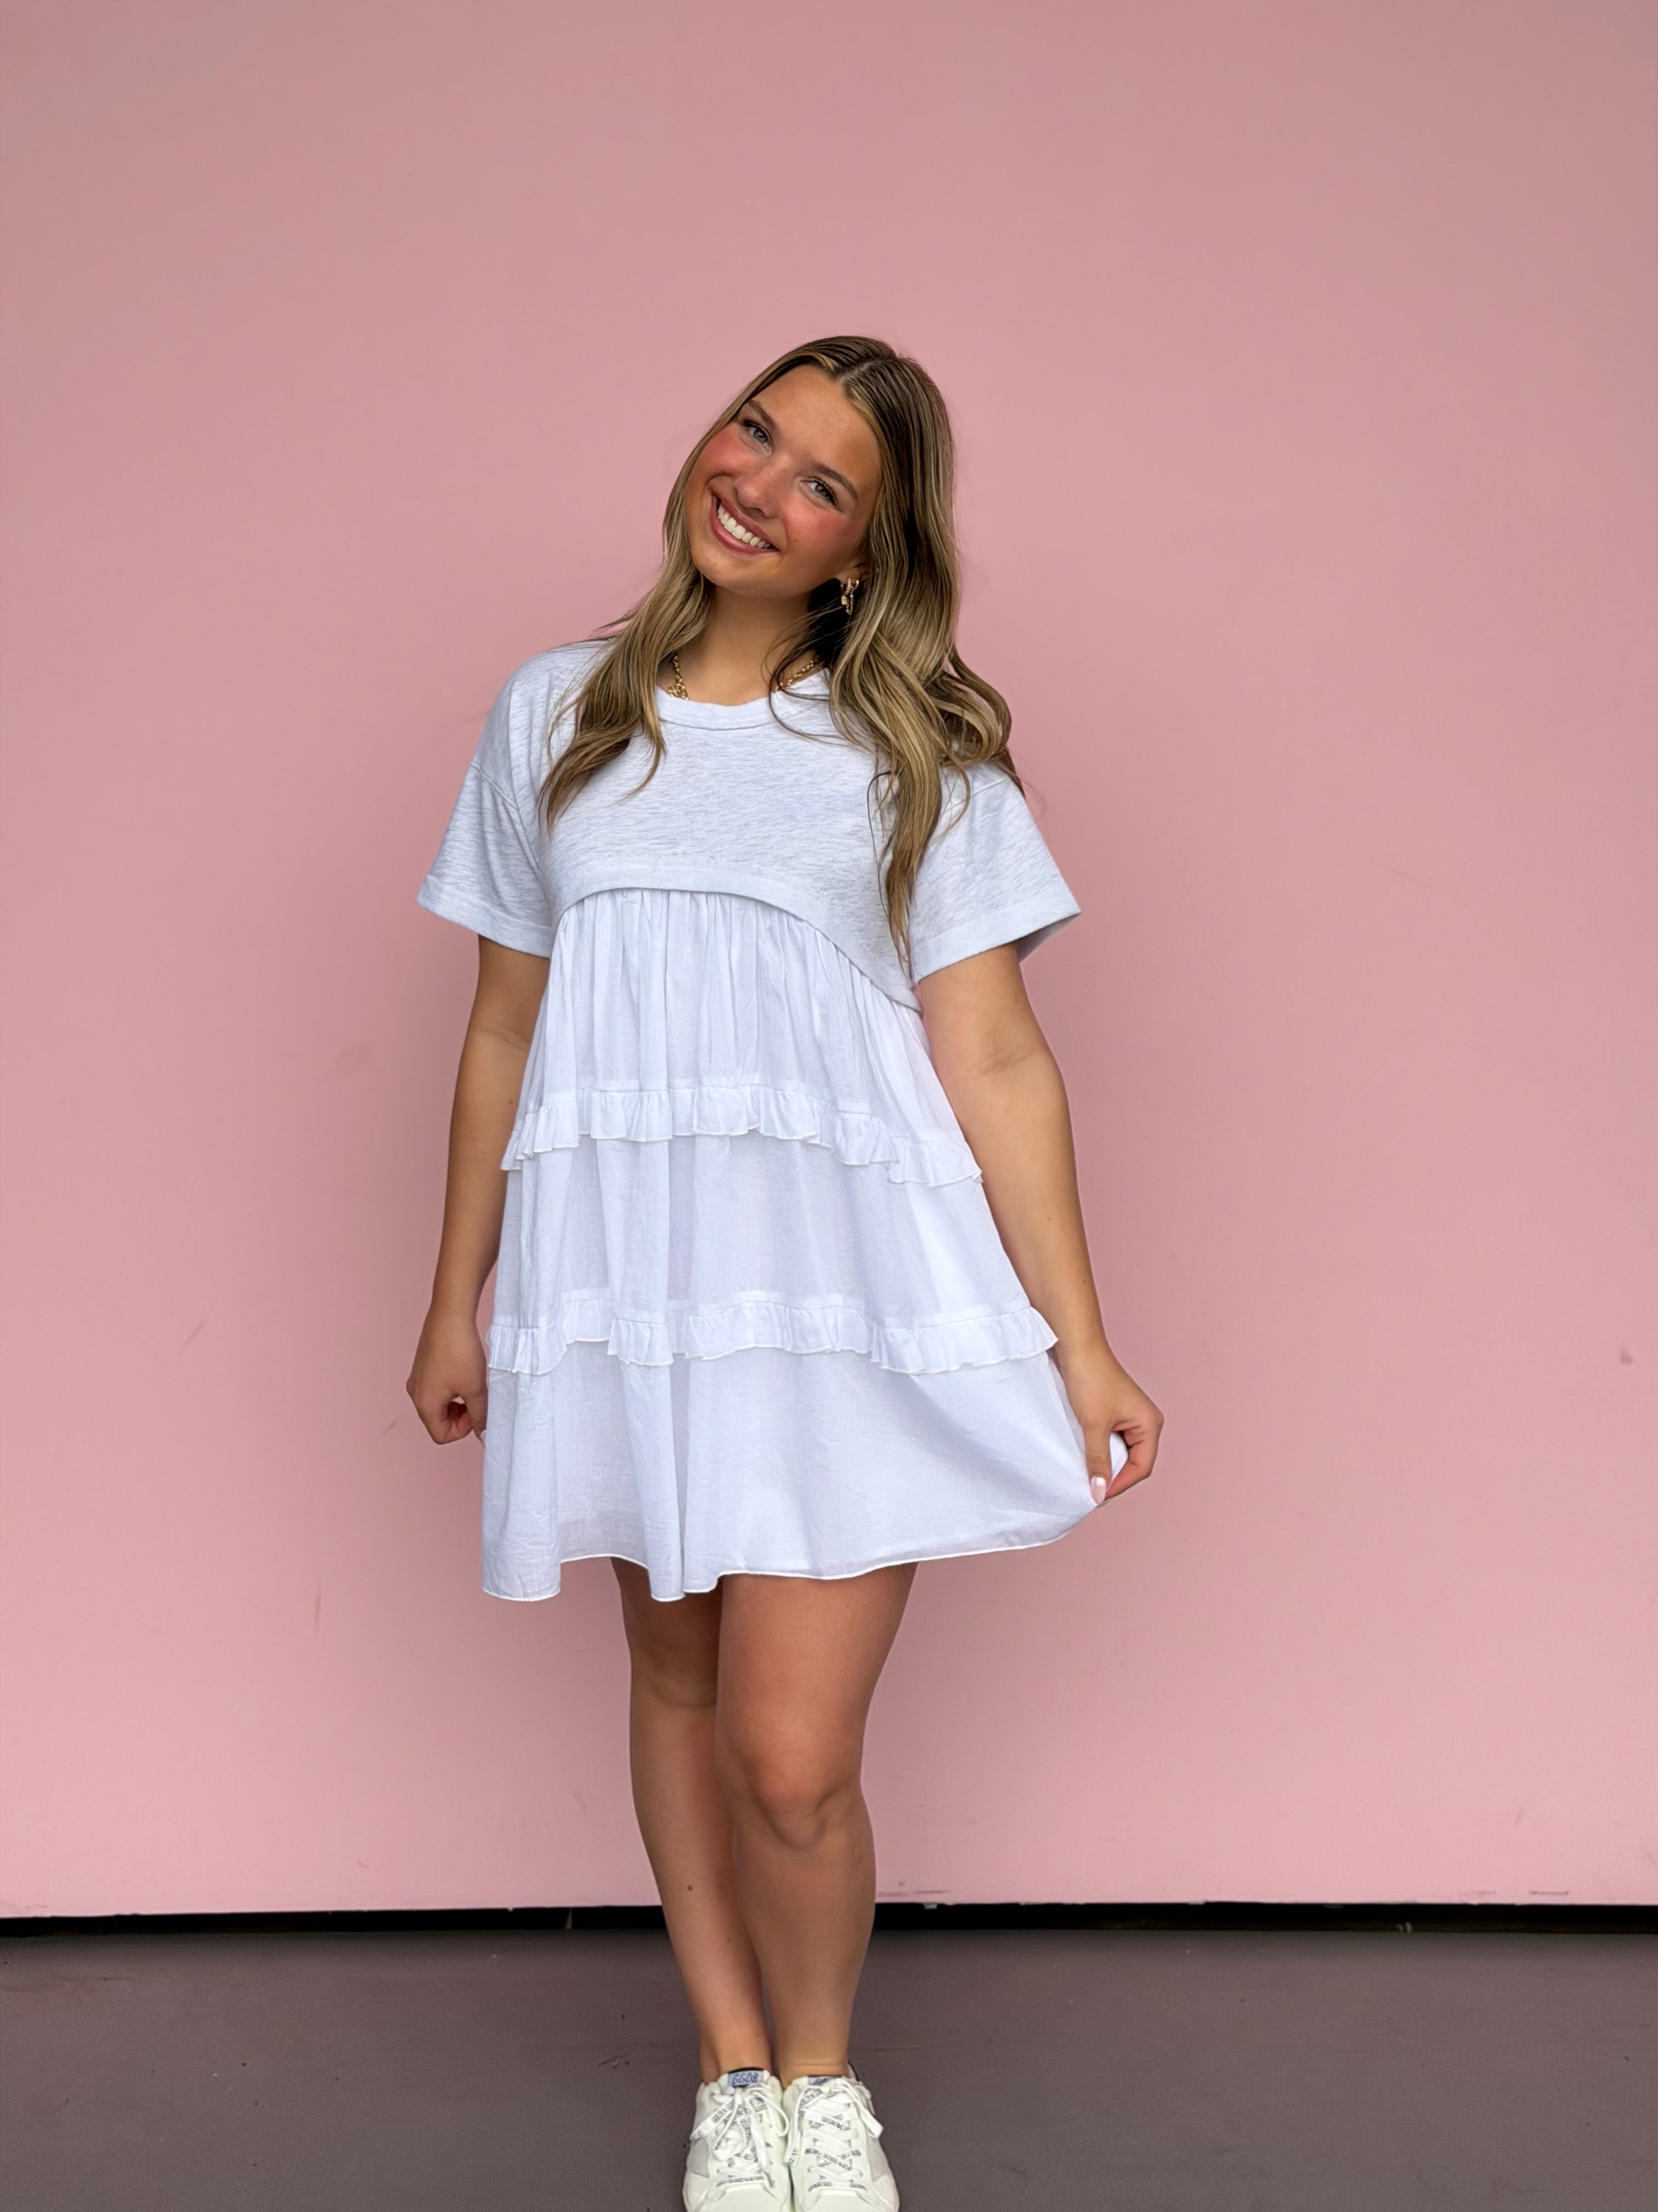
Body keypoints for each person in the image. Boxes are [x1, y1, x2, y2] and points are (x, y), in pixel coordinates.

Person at [408, 335, 1162, 2211]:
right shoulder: (557, 713)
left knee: (791, 1754)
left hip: (837, 1301)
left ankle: (826, 2083)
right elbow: (503, 1026)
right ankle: (733, 2077)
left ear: (862, 552)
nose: (758, 483)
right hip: (630, 1290)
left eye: (822, 481)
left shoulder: (912, 754)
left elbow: (997, 1060)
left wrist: (1082, 1342)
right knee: (673, 1689)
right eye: (756, 430)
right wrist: (455, 1298)